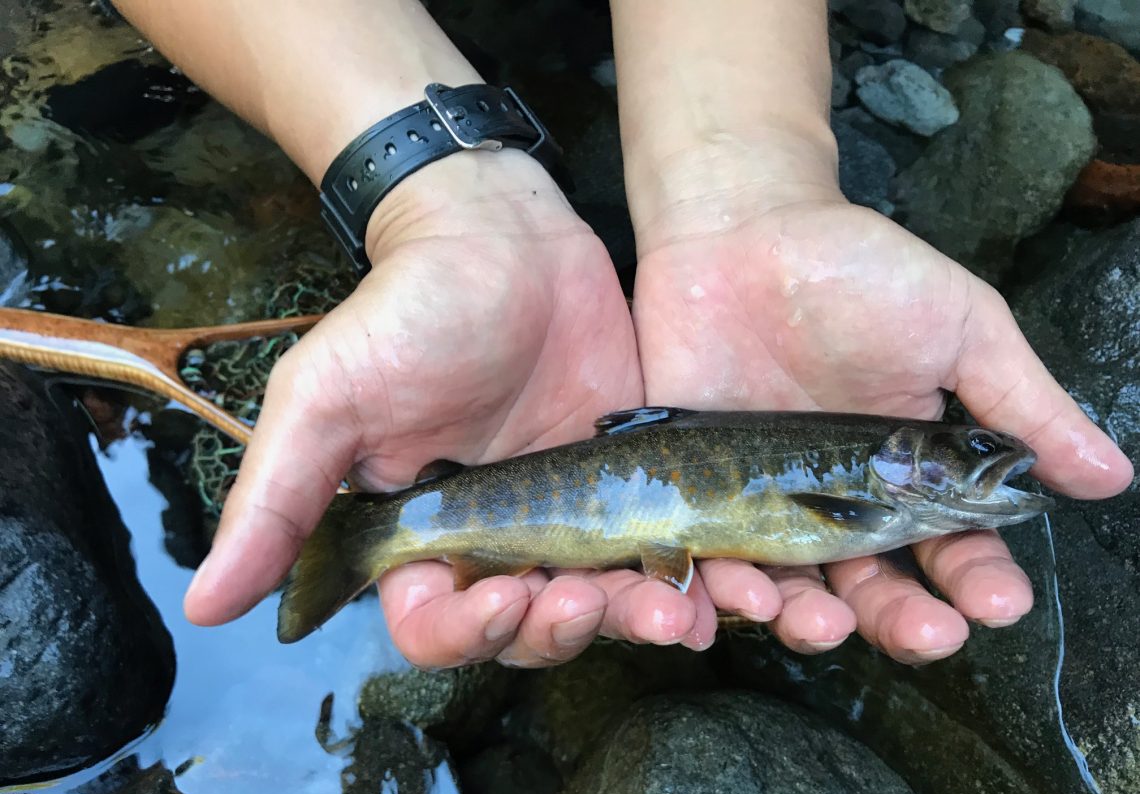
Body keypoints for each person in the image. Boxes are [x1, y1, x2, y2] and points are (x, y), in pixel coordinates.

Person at [112, 0, 1132, 669]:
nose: (992, 456)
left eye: (972, 449)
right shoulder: (869, 495)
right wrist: (438, 201)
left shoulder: (873, 491)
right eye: (968, 448)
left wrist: (748, 178)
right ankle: (378, 528)